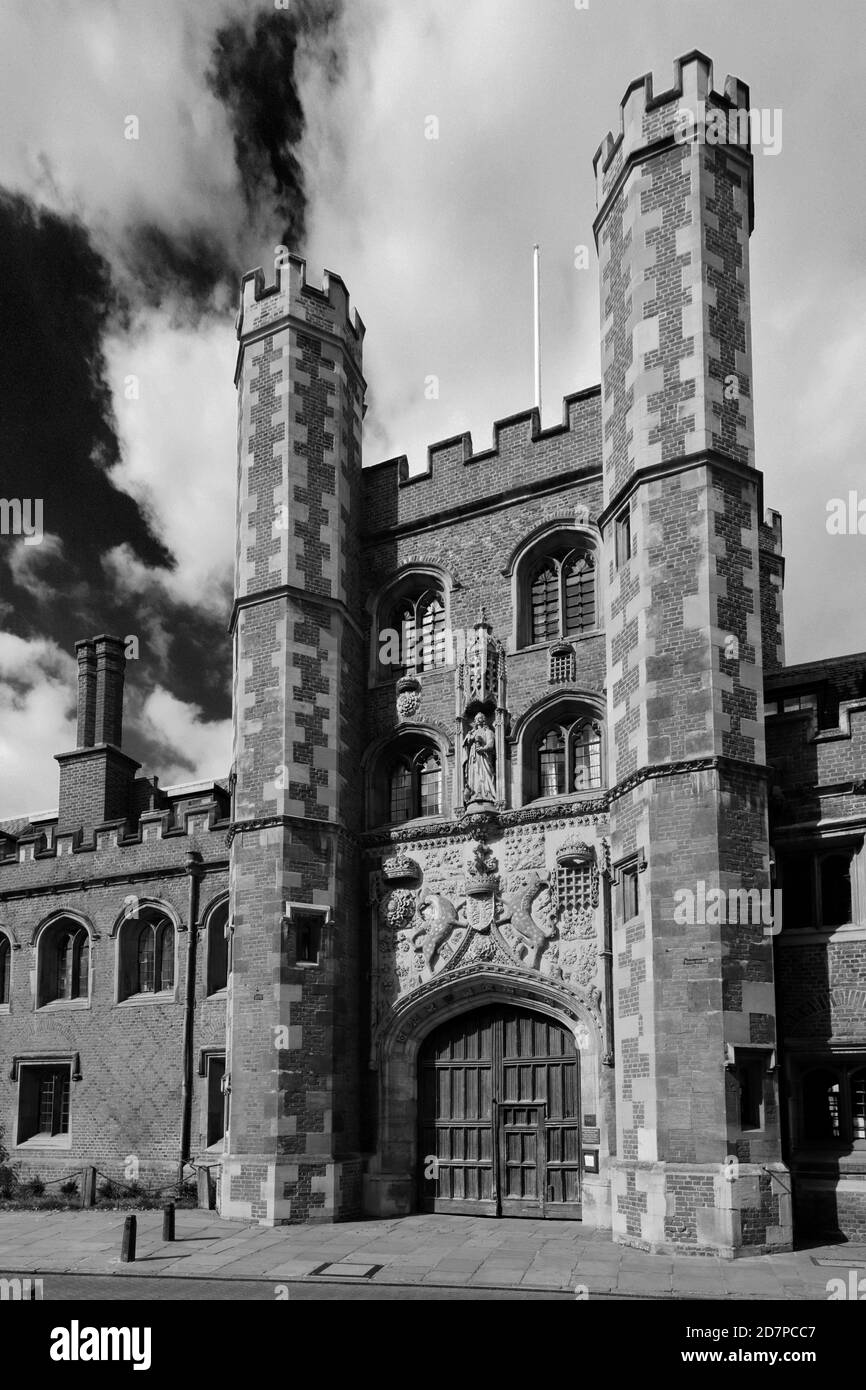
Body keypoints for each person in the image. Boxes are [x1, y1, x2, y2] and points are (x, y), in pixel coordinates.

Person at [462, 713, 497, 804]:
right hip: (473, 756)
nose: (477, 720)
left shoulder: (488, 731)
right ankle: (475, 793)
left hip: (484, 756)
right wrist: (469, 738)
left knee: (484, 772)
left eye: (480, 718)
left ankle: (487, 793)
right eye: (476, 718)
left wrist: (483, 749)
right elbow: (465, 744)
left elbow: (491, 744)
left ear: (484, 719)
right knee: (474, 773)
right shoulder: (472, 732)